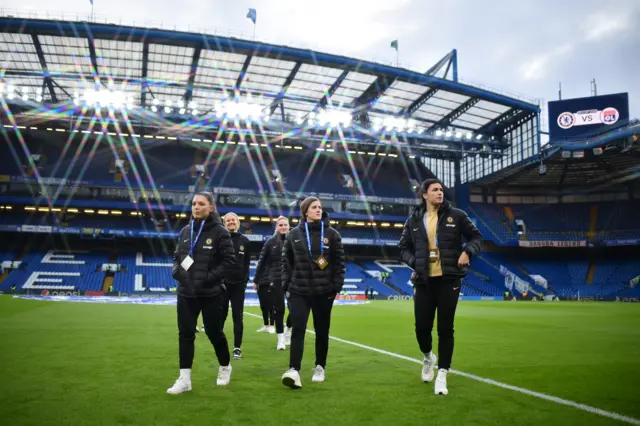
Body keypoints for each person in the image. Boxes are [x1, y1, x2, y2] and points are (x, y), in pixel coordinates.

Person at [398, 178, 482, 396]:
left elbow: (476, 236)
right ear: (424, 195)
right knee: (421, 329)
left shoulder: (457, 215)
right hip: (424, 282)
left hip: (449, 280)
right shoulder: (414, 219)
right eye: (435, 190)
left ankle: (442, 374)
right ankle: (428, 357)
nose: (440, 193)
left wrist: (467, 251)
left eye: (441, 190)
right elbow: (403, 248)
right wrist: (414, 262)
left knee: (446, 329)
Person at [167, 191, 236, 394]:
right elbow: (177, 257)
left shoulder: (220, 232)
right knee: (185, 334)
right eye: (194, 203)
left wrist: (207, 278)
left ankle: (225, 366)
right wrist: (176, 272)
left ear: (211, 207)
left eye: (201, 204)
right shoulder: (185, 231)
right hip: (186, 292)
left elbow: (229, 261)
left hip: (211, 293)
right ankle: (184, 379)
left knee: (214, 333)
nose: (196, 207)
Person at [281, 197, 345, 389]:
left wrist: (336, 287)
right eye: (314, 207)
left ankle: (320, 366)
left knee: (321, 331)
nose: (318, 210)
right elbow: (286, 263)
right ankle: (294, 370)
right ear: (305, 211)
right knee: (298, 330)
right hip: (298, 291)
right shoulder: (293, 234)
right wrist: (287, 286)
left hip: (324, 292)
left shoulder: (332, 235)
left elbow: (339, 263)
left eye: (320, 207)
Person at [254, 216, 291, 350]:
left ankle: (288, 329)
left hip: (293, 280)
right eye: (280, 225)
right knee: (279, 310)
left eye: (285, 225)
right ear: (276, 227)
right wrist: (256, 280)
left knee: (295, 310)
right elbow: (262, 262)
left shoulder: (294, 240)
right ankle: (280, 339)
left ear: (289, 226)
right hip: (276, 280)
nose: (283, 227)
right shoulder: (270, 242)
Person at [219, 212, 251, 360]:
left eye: (233, 220)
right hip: (223, 285)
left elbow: (246, 264)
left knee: (238, 317)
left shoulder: (245, 241)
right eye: (228, 220)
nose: (231, 222)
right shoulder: (220, 239)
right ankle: (220, 345)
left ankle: (237, 348)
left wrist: (244, 282)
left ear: (238, 223)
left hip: (238, 286)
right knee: (221, 316)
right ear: (224, 223)